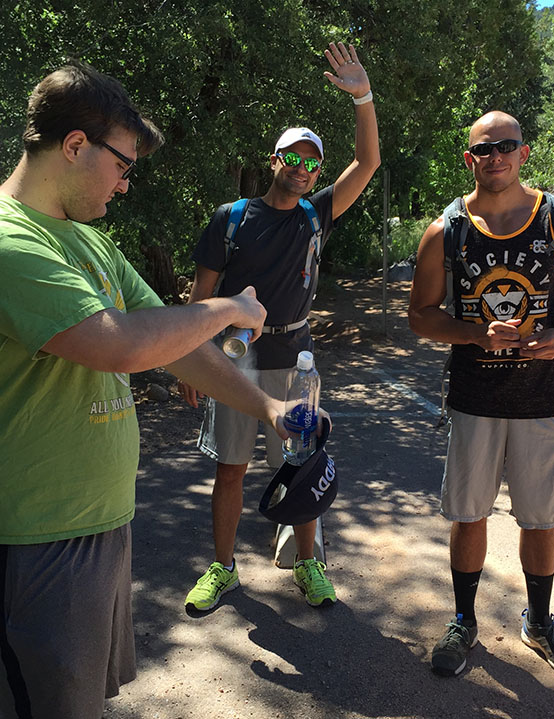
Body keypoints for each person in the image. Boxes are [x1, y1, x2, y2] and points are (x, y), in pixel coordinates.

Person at [0, 61, 289, 719]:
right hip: (32, 538)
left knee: (81, 703)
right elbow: (118, 343)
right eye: (122, 165)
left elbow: (173, 344)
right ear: (74, 145)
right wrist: (228, 307)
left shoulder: (89, 242)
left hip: (100, 522)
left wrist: (267, 407)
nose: (125, 184)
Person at [179, 42, 380, 611]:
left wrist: (363, 97)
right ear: (273, 161)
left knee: (301, 462)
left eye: (312, 163)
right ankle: (223, 568)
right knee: (231, 470)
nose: (302, 169)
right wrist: (189, 363)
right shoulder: (232, 218)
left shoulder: (317, 215)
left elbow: (367, 163)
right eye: (292, 157)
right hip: (234, 361)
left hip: (296, 363)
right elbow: (199, 298)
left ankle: (309, 564)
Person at [407, 111, 554, 678]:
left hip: (542, 398)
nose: (495, 158)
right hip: (475, 399)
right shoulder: (447, 230)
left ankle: (539, 623)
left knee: (539, 520)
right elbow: (420, 315)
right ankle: (463, 621)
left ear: (524, 153)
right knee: (469, 516)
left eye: (506, 147)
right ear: (469, 159)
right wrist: (473, 333)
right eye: (483, 150)